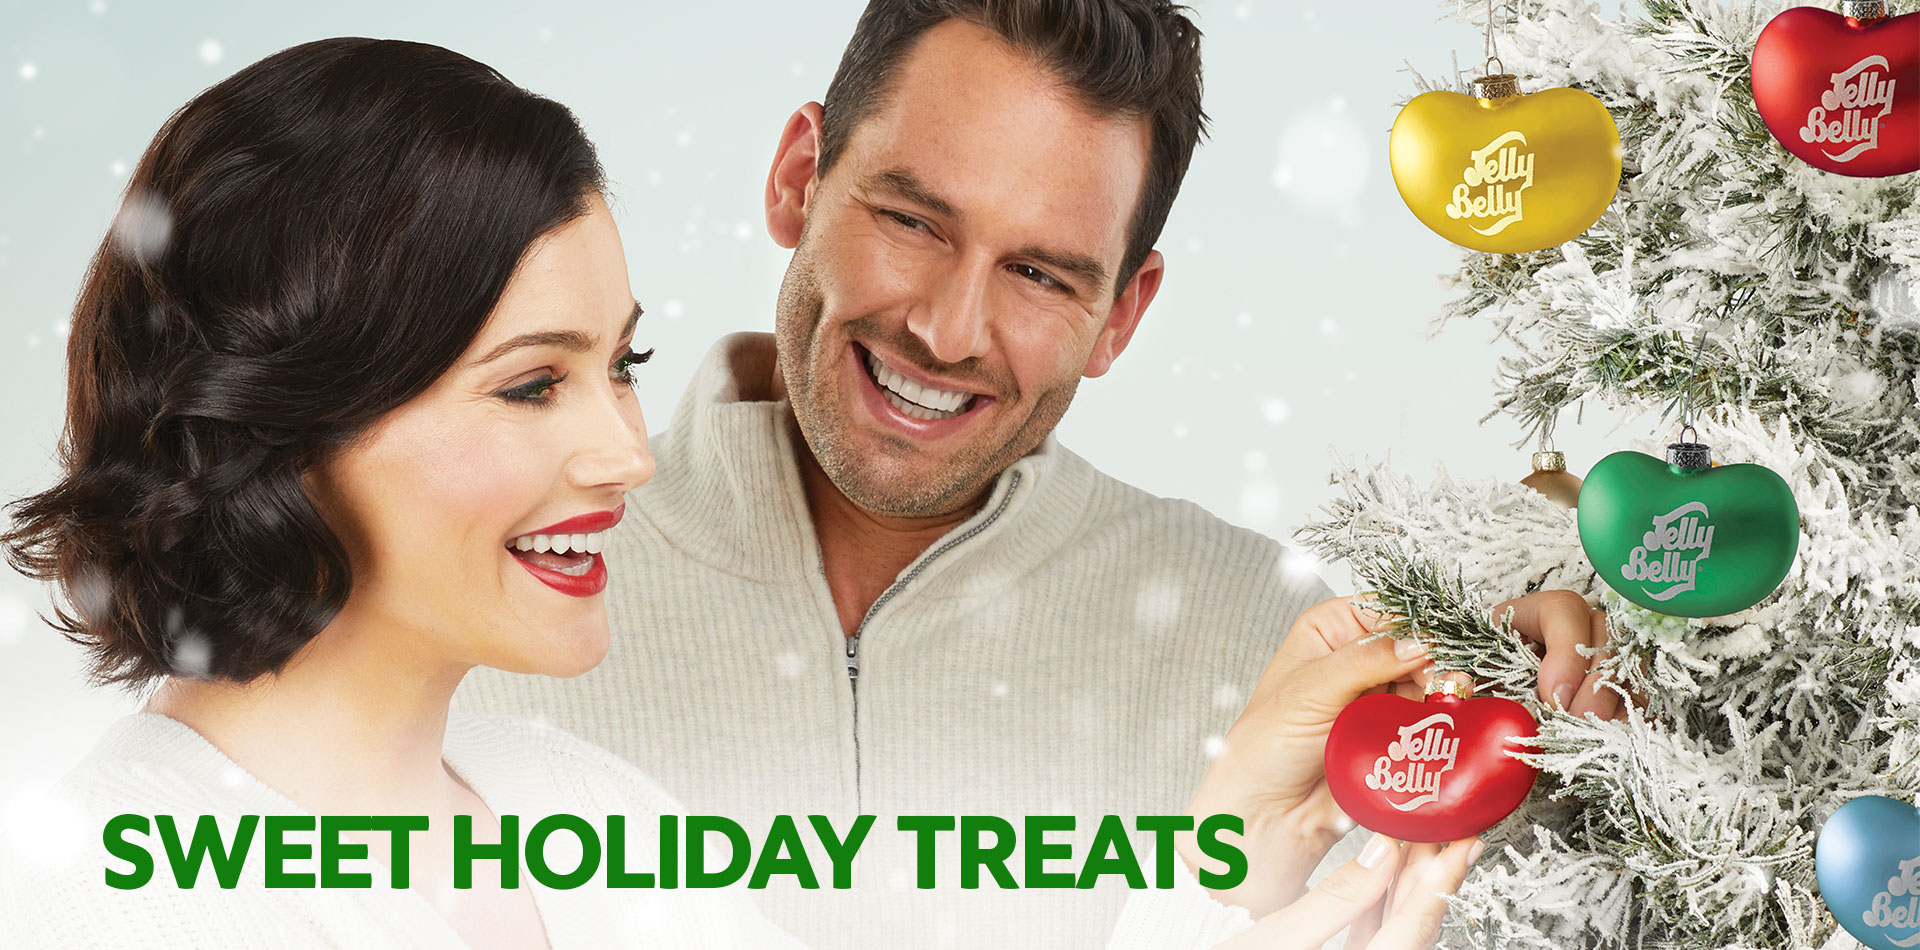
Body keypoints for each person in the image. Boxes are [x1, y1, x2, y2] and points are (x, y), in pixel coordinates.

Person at [454, 1, 1623, 947]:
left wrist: (1555, 665)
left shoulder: (1280, 657)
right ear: (798, 177)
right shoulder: (470, 590)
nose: (951, 330)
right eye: (912, 220)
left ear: (1124, 314)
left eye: (1041, 275)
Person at [0, 37, 788, 949]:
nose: (628, 454)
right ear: (279, 422)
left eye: (622, 365)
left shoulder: (582, 809)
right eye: (531, 385)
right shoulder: (95, 911)